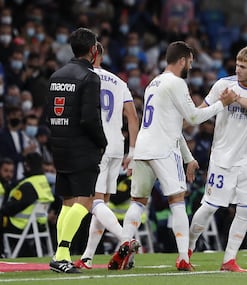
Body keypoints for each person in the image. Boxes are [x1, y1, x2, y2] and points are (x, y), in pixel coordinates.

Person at [108, 41, 237, 272]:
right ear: (182, 60)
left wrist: (188, 158)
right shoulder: (176, 83)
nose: (190, 66)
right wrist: (222, 104)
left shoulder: (153, 83)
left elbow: (173, 125)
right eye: (190, 62)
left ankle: (124, 244)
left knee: (138, 202)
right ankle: (182, 257)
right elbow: (195, 118)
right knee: (177, 201)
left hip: (144, 149)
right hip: (164, 150)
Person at [188, 45, 247, 272]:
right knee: (209, 207)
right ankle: (187, 249)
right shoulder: (222, 85)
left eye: (243, 66)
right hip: (222, 158)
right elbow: (202, 110)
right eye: (237, 65)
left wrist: (235, 99)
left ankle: (229, 260)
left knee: (245, 209)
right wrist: (188, 118)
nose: (238, 69)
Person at [46, 27, 107, 274]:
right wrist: (102, 142)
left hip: (60, 144)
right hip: (81, 147)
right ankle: (61, 254)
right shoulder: (90, 77)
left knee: (68, 203)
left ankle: (60, 254)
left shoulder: (56, 75)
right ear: (93, 50)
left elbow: (48, 115)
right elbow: (89, 119)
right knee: (85, 200)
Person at [74, 42, 139, 270]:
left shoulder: (84, 77)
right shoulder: (119, 82)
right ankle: (87, 257)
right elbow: (132, 116)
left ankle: (125, 239)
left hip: (96, 146)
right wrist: (132, 151)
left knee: (94, 202)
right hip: (117, 147)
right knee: (102, 204)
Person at [0, 152, 54, 257]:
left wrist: (3, 210)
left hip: (20, 225)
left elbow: (13, 207)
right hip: (40, 223)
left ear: (27, 166)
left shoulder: (28, 185)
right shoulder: (43, 181)